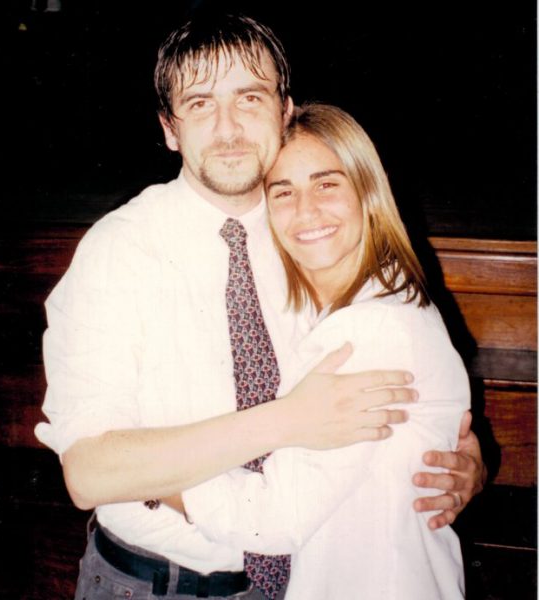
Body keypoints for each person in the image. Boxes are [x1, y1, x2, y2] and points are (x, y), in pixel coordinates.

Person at [34, 13, 485, 600]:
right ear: (170, 128)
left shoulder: (311, 234)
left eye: (249, 97)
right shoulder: (119, 251)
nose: (228, 129)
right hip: (155, 586)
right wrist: (285, 419)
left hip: (301, 581)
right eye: (200, 104)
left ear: (284, 110)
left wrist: (450, 459)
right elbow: (89, 473)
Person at [173, 103, 469, 598]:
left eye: (326, 184)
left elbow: (274, 519)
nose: (306, 211)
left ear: (367, 192)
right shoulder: (348, 305)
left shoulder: (370, 329)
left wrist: (152, 480)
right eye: (283, 192)